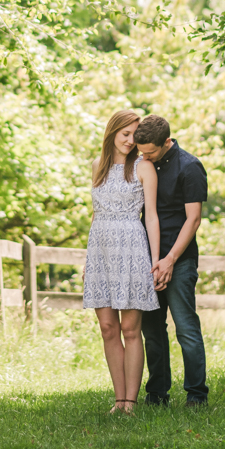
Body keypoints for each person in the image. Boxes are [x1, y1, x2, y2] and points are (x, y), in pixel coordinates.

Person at [83, 109, 161, 414]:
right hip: (101, 249)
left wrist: (154, 261)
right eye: (125, 134)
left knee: (130, 328)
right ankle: (118, 399)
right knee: (107, 327)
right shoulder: (97, 166)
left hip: (131, 249)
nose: (130, 140)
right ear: (112, 132)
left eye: (134, 134)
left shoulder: (144, 167)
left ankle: (130, 401)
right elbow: (95, 214)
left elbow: (151, 216)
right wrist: (89, 258)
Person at [135, 114, 209, 407]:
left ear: (167, 142)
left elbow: (193, 220)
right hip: (146, 259)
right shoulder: (142, 165)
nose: (145, 156)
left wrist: (169, 260)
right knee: (151, 331)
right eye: (141, 151)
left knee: (186, 327)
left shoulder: (189, 167)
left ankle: (196, 394)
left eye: (150, 151)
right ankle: (157, 393)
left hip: (179, 260)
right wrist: (154, 260)